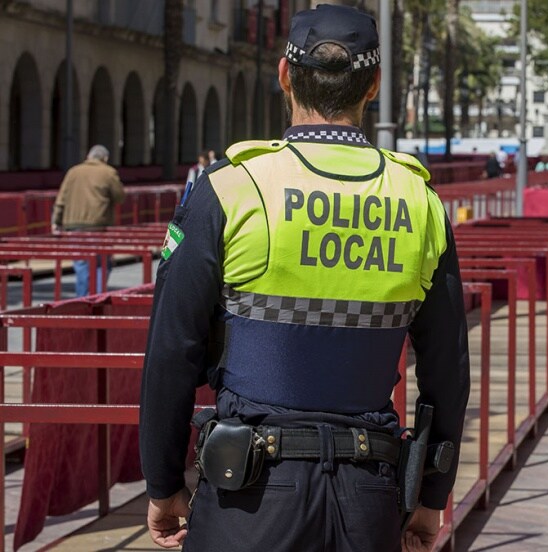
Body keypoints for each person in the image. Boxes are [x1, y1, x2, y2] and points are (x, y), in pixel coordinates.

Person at [139, 5, 470, 551]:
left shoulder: (232, 187)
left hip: (248, 496)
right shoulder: (420, 200)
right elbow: (446, 368)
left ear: (285, 75)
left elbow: (173, 347)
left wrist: (163, 481)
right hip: (369, 493)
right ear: (374, 86)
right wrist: (433, 494)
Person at [51, 144, 125, 296]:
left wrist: (55, 221)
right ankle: (97, 300)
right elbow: (120, 197)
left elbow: (61, 199)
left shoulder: (73, 172)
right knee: (101, 264)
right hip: (99, 226)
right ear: (105, 158)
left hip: (74, 227)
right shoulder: (109, 173)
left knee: (81, 265)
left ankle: (82, 300)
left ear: (88, 157)